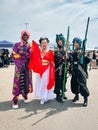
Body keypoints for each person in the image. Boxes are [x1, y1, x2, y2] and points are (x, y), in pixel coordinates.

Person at [29, 37, 55, 104]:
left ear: (47, 43)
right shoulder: (38, 52)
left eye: (45, 43)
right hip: (40, 70)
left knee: (45, 83)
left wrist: (51, 63)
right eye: (42, 43)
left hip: (47, 70)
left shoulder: (50, 52)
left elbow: (52, 61)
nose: (44, 44)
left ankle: (46, 96)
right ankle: (42, 97)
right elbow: (34, 57)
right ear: (40, 44)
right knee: (40, 83)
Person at [11, 30, 33, 109]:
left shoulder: (30, 45)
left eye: (26, 35)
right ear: (21, 36)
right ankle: (15, 99)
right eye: (24, 35)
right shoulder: (16, 45)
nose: (25, 36)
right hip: (19, 67)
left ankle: (25, 96)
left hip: (27, 67)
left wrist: (23, 54)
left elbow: (31, 56)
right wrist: (20, 61)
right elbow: (13, 55)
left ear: (28, 36)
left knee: (26, 82)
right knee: (17, 82)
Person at [70, 37, 90, 106]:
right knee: (74, 83)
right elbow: (71, 59)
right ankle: (76, 95)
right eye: (74, 43)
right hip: (74, 69)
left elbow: (88, 60)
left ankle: (85, 99)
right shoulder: (73, 51)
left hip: (81, 70)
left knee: (82, 84)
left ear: (79, 43)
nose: (75, 44)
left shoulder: (82, 51)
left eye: (76, 43)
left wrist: (84, 56)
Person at [54, 34, 68, 103]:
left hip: (64, 67)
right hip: (58, 68)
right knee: (58, 81)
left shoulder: (65, 49)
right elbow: (55, 57)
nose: (60, 42)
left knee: (64, 80)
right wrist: (60, 57)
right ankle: (57, 94)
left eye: (61, 40)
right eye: (59, 41)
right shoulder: (56, 49)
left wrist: (68, 57)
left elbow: (69, 58)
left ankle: (63, 92)